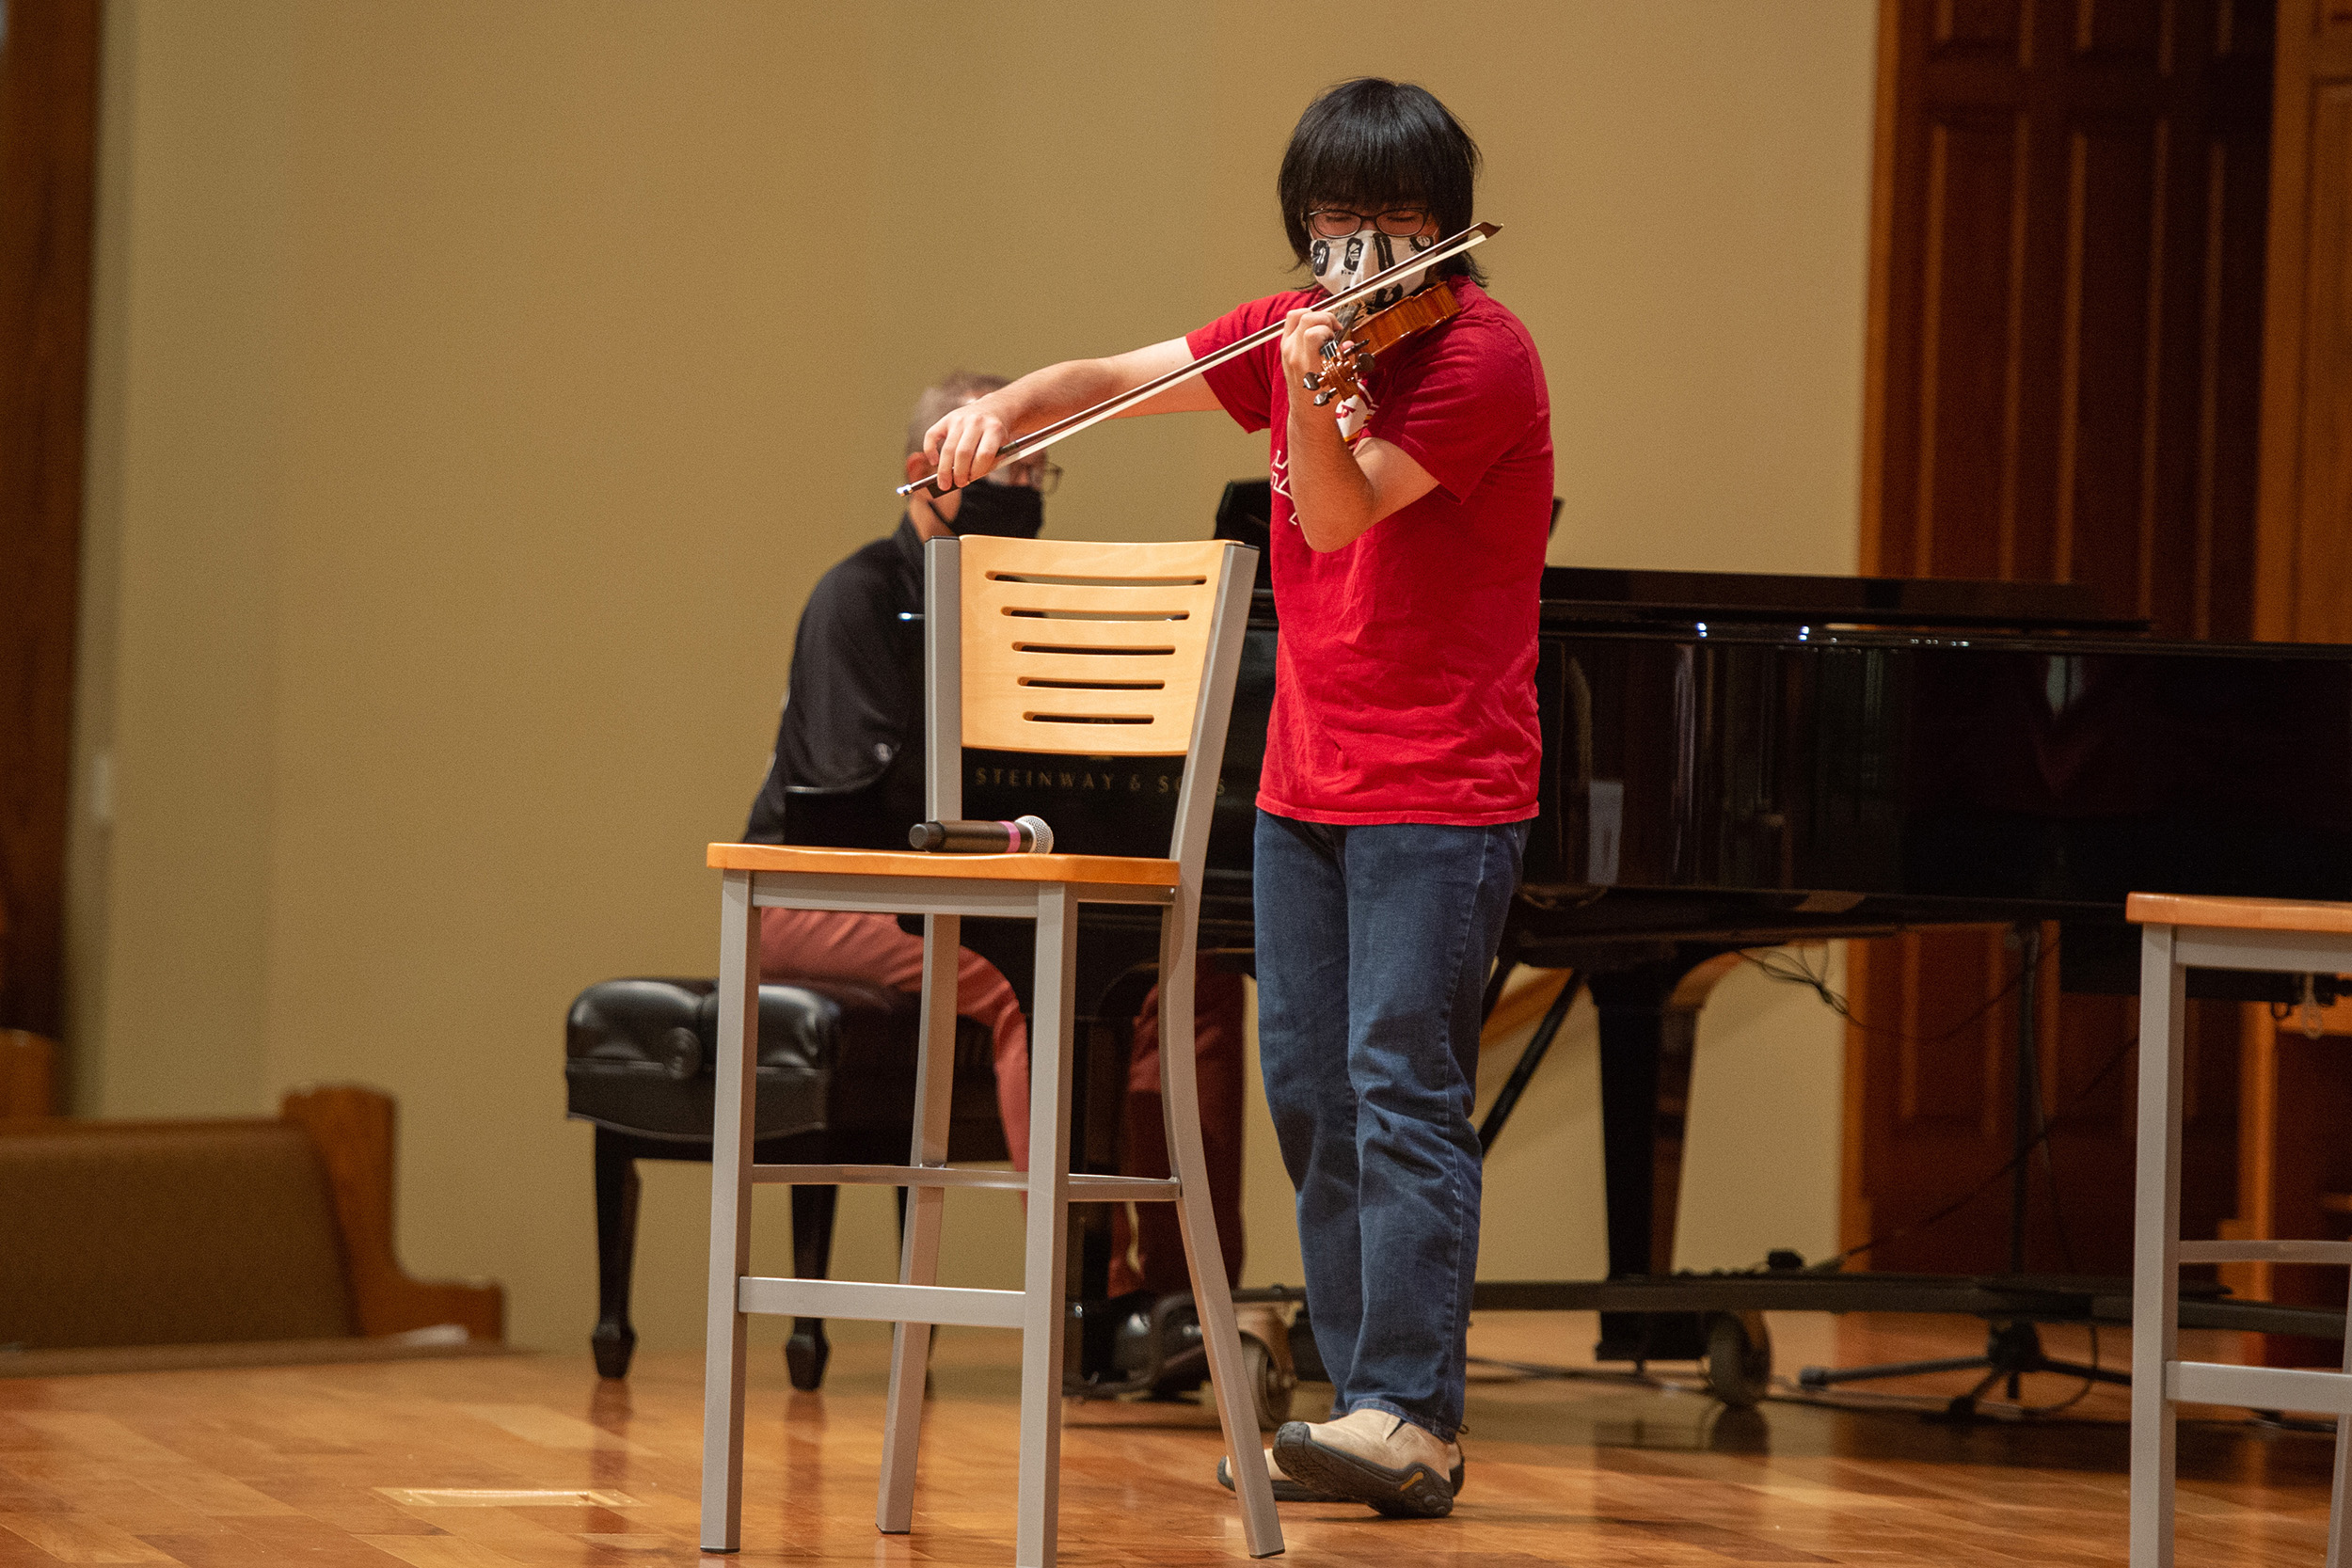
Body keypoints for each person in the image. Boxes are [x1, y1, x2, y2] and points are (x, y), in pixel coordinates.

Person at [918, 79, 1549, 1517]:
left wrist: (1320, 390)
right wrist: (1001, 410)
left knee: (1403, 1084)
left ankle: (1415, 1412)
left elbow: (1328, 514)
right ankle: (1349, 1402)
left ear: (1446, 226)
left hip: (1440, 790)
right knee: (1311, 1092)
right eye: (1335, 225)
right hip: (1303, 785)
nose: (1363, 256)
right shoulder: (1293, 335)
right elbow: (1104, 374)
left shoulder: (1483, 359)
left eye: (1396, 225)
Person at [741, 372, 1272, 1337]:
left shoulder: (1025, 610)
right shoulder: (856, 597)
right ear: (922, 474)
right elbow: (854, 808)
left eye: (1039, 465)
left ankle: (1189, 1297)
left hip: (978, 878)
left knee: (1187, 976)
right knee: (1018, 968)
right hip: (817, 890)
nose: (1024, 486)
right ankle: (1086, 1299)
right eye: (1004, 462)